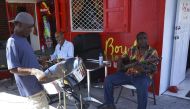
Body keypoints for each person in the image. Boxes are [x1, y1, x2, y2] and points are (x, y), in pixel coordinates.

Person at [98, 32, 159, 109]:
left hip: (143, 77)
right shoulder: (132, 49)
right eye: (140, 38)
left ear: (147, 39)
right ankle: (109, 104)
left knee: (143, 85)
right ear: (137, 40)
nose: (143, 40)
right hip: (128, 74)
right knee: (108, 80)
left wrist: (143, 69)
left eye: (145, 38)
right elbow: (123, 57)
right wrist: (120, 61)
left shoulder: (153, 51)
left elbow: (153, 68)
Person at [6, 12, 49, 109]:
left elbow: (25, 59)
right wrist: (34, 71)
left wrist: (38, 60)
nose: (31, 30)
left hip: (37, 85)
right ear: (19, 24)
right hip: (31, 89)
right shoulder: (12, 41)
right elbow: (13, 68)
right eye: (29, 27)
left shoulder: (23, 39)